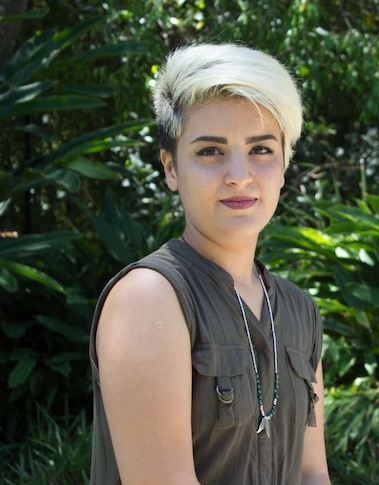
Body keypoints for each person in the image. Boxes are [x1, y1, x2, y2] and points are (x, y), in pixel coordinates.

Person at [88, 43, 330, 485]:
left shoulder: (299, 311)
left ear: (283, 165)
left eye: (260, 149)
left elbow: (313, 472)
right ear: (171, 168)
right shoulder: (150, 298)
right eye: (210, 151)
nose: (239, 174)